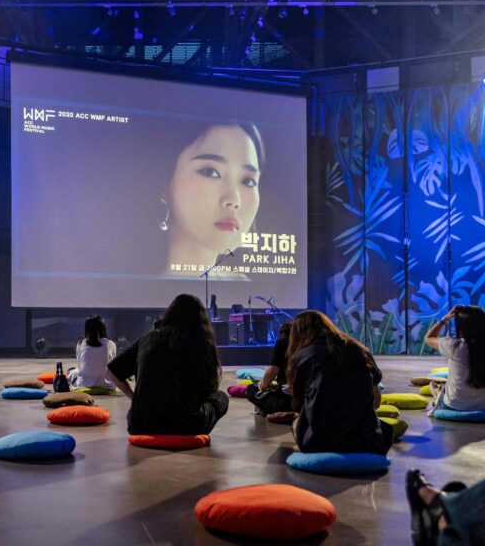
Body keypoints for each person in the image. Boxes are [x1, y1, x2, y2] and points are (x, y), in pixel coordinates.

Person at [107, 294, 228, 435]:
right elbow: (209, 391)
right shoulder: (200, 343)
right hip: (187, 425)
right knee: (222, 397)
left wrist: (135, 399)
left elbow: (112, 371)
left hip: (141, 424)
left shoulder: (150, 337)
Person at [160, 122, 265, 276]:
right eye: (211, 172)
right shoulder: (128, 286)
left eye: (248, 181)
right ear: (165, 183)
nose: (234, 200)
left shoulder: (243, 287)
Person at [286, 310, 392, 454]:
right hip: (367, 441)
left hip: (320, 442)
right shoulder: (359, 350)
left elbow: (298, 405)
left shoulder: (303, 356)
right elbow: (376, 401)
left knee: (297, 423)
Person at [423, 305, 485, 412]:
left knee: (441, 390)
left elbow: (429, 338)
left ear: (461, 326)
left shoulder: (454, 346)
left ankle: (439, 395)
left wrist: (445, 318)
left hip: (455, 405)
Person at [245, 322, 293, 415]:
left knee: (251, 389)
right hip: (304, 403)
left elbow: (272, 371)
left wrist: (261, 385)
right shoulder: (309, 347)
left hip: (287, 402)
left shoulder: (282, 343)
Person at [67, 315, 117, 390]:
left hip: (84, 384)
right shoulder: (111, 344)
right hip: (107, 386)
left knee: (71, 371)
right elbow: (114, 366)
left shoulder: (81, 343)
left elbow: (80, 365)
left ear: (87, 329)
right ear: (103, 328)